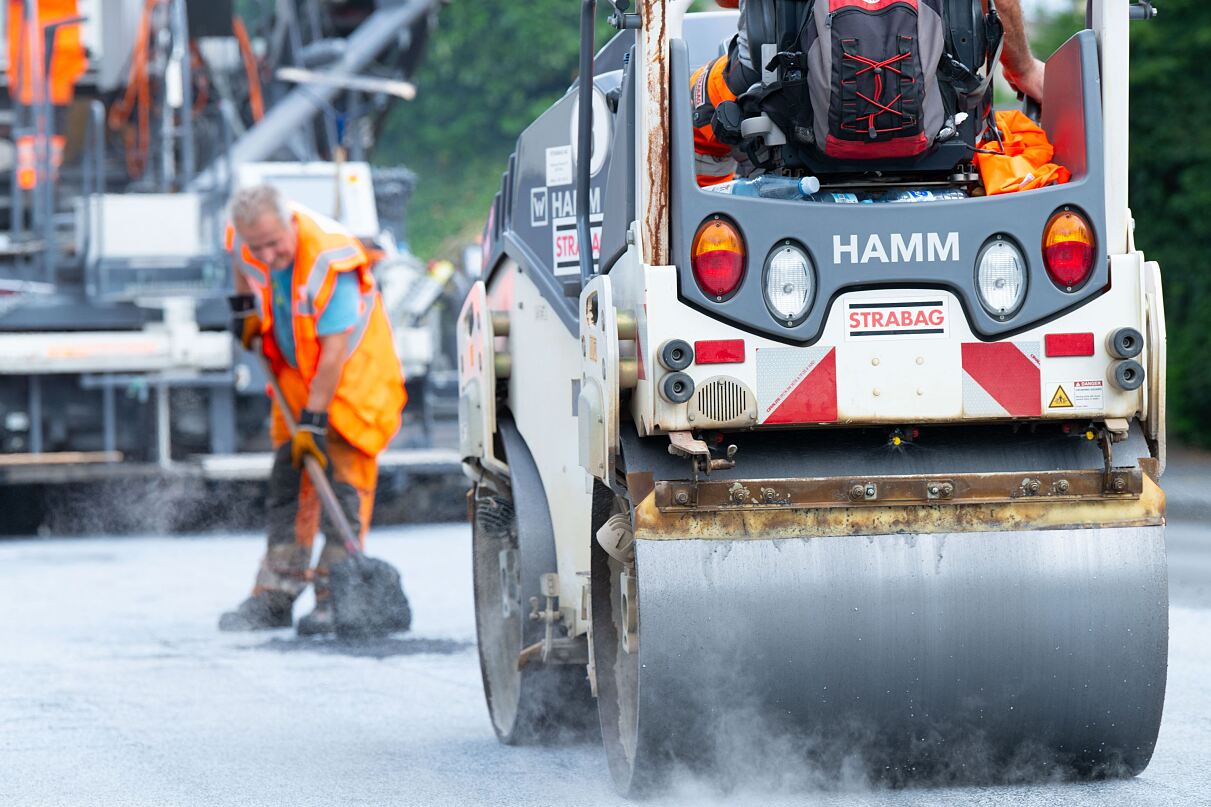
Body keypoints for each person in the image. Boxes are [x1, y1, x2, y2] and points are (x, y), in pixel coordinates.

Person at [218, 185, 407, 635]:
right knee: (289, 480)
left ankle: (335, 596)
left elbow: (334, 350)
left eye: (274, 243)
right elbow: (241, 263)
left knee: (342, 484)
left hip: (349, 381)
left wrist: (314, 421)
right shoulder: (246, 240)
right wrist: (244, 307)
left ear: (290, 224)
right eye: (256, 246)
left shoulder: (329, 260)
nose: (267, 254)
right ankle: (276, 593)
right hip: (297, 375)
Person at [693, 0, 1046, 184]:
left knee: (692, 113)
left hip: (789, 113)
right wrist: (1024, 70)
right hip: (944, 125)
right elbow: (999, 7)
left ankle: (724, 219)